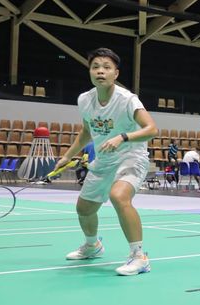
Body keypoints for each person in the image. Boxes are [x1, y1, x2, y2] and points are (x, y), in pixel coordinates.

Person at [55, 48, 158, 276]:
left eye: (106, 67)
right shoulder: (85, 99)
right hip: (104, 159)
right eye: (95, 67)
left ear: (116, 73)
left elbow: (152, 129)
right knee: (84, 209)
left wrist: (123, 137)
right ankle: (93, 246)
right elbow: (86, 131)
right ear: (90, 72)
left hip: (131, 155)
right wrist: (67, 156)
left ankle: (139, 257)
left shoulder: (128, 100)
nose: (100, 71)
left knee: (119, 196)